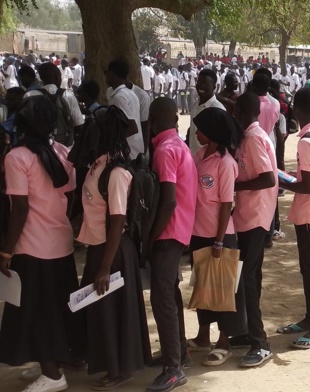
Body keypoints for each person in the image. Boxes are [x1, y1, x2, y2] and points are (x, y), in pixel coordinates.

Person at [0, 95, 82, 392]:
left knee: (35, 312)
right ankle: (49, 363)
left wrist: (5, 250)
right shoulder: (61, 151)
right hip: (59, 242)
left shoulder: (16, 157)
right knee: (56, 308)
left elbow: (18, 209)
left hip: (31, 246)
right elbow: (70, 196)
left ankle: (53, 373)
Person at [76, 106, 151, 390]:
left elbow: (118, 220)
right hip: (98, 244)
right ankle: (107, 361)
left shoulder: (117, 172)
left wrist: (106, 266)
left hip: (114, 251)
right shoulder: (99, 164)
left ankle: (120, 368)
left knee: (113, 310)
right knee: (101, 310)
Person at [185, 108, 246, 367]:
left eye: (199, 129)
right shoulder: (200, 155)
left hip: (218, 235)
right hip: (197, 232)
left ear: (211, 133)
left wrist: (220, 240)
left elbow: (225, 204)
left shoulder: (226, 164)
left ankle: (223, 341)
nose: (195, 133)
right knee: (203, 285)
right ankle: (202, 335)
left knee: (222, 289)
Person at [145, 98, 197, 392]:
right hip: (179, 229)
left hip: (169, 231)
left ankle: (173, 368)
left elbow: (168, 200)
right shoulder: (179, 145)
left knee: (162, 298)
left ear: (153, 119)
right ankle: (178, 353)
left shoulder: (165, 150)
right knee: (170, 294)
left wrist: (150, 236)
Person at [276, 87, 310, 349]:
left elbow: (307, 185)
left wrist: (282, 180)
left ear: (296, 110)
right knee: (309, 269)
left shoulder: (307, 141)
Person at [231, 92, 277, 366]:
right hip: (250, 215)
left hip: (256, 215)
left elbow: (268, 177)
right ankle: (248, 331)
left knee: (248, 276)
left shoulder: (254, 138)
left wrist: (236, 186)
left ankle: (260, 343)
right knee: (251, 275)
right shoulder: (251, 135)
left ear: (240, 113)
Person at [105, 59, 146, 159]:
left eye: (106, 73)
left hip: (128, 153)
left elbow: (132, 127)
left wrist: (111, 141)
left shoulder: (119, 97)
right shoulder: (130, 93)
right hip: (135, 150)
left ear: (112, 74)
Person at [188, 69, 225, 157]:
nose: (201, 86)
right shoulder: (195, 104)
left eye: (206, 84)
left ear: (214, 87)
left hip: (208, 162)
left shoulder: (218, 109)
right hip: (192, 159)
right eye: (200, 83)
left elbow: (222, 142)